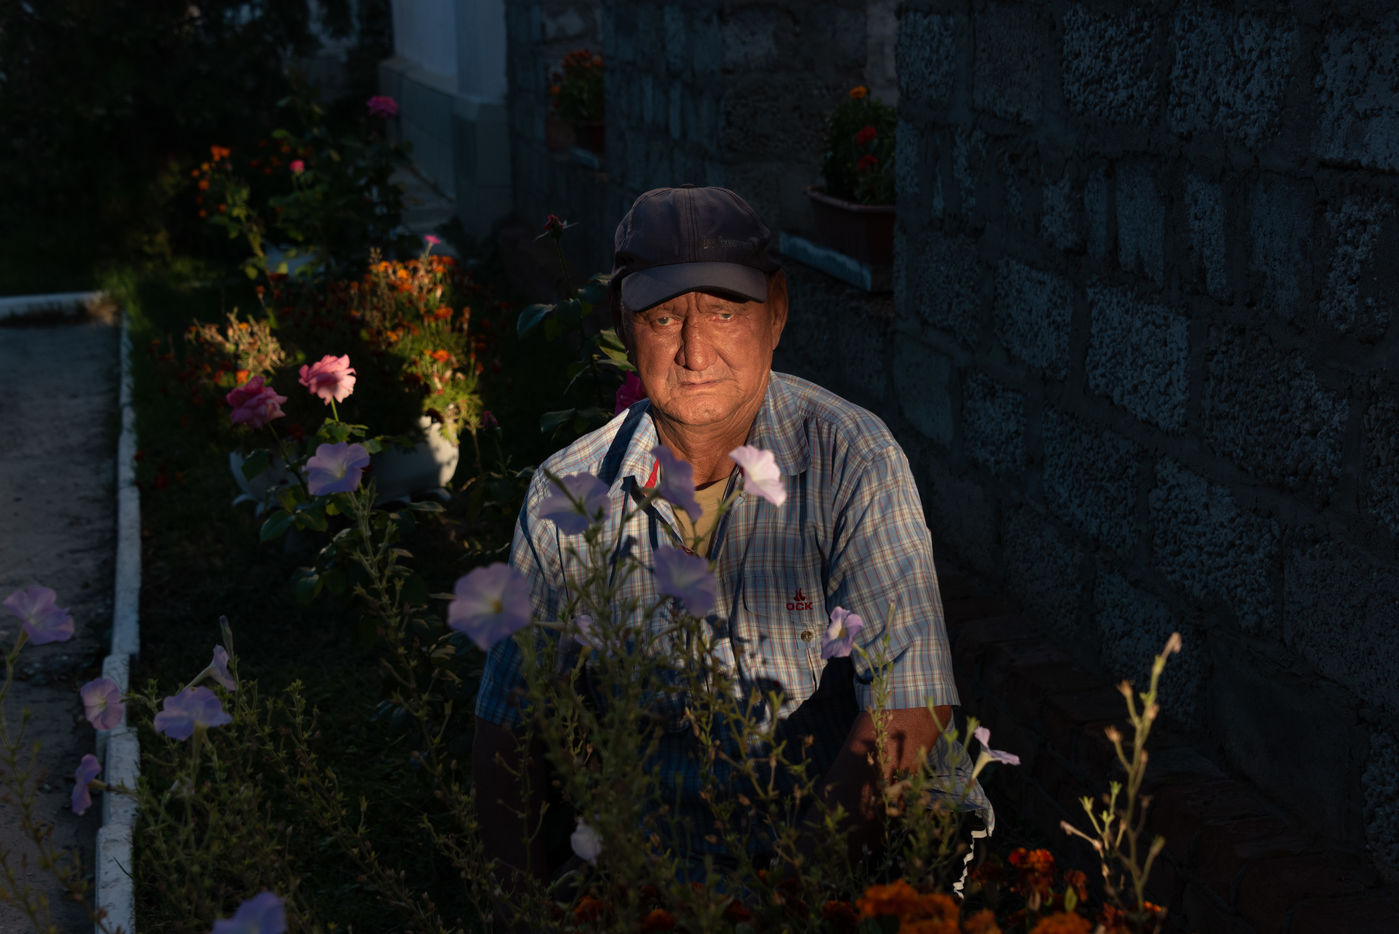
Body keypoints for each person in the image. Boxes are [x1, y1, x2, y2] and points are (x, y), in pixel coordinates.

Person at [472, 185, 989, 891]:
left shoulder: (850, 460)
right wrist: (519, 908)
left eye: (724, 311)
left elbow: (912, 706)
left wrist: (787, 901)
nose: (694, 350)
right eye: (663, 318)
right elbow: (510, 721)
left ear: (776, 312)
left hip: (860, 855)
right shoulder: (567, 494)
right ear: (623, 325)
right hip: (676, 870)